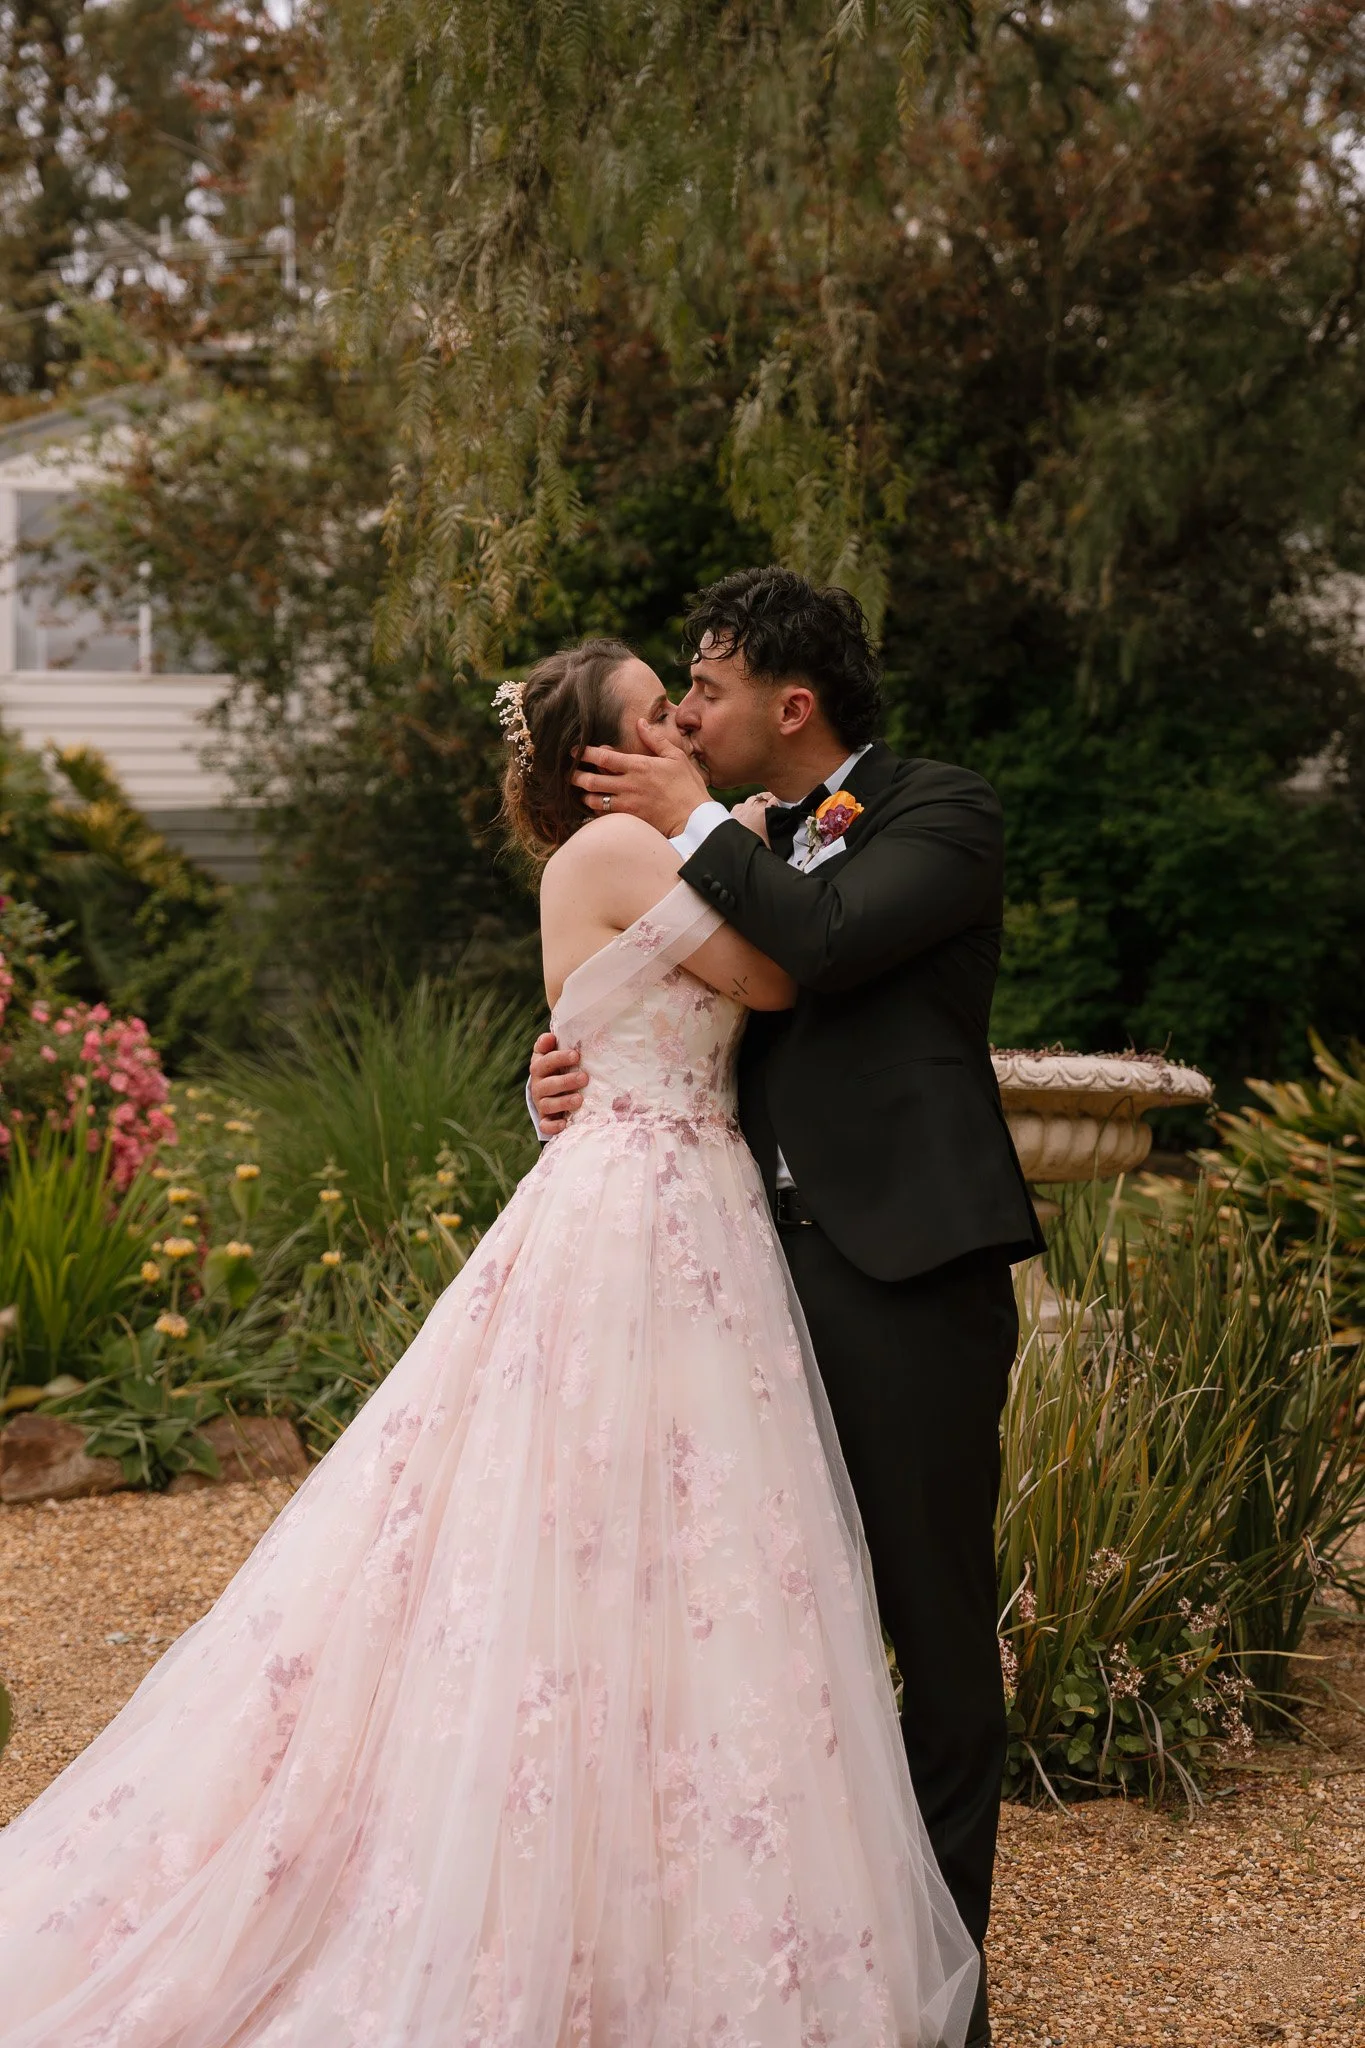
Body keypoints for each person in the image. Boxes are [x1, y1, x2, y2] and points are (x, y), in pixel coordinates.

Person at [0, 636, 978, 2048]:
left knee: (688, 1560)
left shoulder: (685, 839)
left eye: (682, 713)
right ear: (598, 759)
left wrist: (740, 839)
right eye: (654, 718)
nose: (682, 734)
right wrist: (726, 833)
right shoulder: (613, 854)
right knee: (574, 1539)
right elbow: (771, 985)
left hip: (694, 1209)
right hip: (637, 1217)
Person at [530, 575, 1046, 2048]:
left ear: (791, 705)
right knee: (744, 1633)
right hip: (734, 1283)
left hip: (907, 1278)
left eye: (708, 690)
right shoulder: (726, 845)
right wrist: (557, 1066)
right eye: (674, 694)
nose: (686, 718)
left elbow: (815, 949)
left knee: (934, 1640)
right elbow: (661, 993)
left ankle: (943, 2007)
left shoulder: (943, 813)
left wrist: (690, 815)